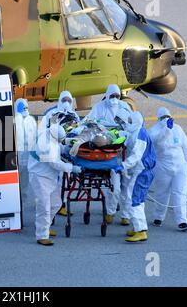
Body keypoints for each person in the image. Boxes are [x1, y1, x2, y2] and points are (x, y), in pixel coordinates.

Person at [86, 84, 132, 226]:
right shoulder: (99, 108)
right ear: (106, 95)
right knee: (115, 186)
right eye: (111, 96)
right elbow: (88, 121)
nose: (114, 99)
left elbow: (131, 124)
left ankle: (126, 215)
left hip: (123, 151)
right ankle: (110, 212)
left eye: (117, 96)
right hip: (107, 152)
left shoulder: (125, 107)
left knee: (127, 187)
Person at [29, 123, 81, 246]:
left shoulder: (48, 134)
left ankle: (45, 226)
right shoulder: (45, 145)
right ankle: (42, 236)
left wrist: (68, 143)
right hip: (40, 176)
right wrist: (72, 168)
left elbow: (58, 145)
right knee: (44, 206)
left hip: (49, 176)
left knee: (56, 203)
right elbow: (55, 163)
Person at [149, 107, 187, 231]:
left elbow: (186, 147)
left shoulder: (178, 129)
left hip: (180, 166)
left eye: (168, 117)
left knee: (180, 193)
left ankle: (182, 221)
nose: (166, 120)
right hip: (163, 166)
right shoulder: (154, 130)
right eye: (163, 118)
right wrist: (166, 130)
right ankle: (158, 217)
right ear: (158, 119)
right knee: (161, 193)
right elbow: (156, 142)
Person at [115, 110, 156, 242]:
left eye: (130, 121)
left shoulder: (140, 134)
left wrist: (123, 166)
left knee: (134, 199)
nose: (128, 123)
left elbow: (136, 156)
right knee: (139, 199)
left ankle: (141, 231)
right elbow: (126, 139)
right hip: (142, 170)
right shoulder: (136, 132)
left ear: (136, 121)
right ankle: (137, 226)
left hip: (142, 171)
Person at [40, 90, 80, 216]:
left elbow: (77, 131)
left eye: (69, 100)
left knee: (65, 180)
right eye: (64, 100)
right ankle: (49, 205)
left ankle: (61, 204)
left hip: (66, 150)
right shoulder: (51, 114)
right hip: (52, 150)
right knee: (53, 180)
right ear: (59, 100)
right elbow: (44, 131)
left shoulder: (74, 115)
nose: (66, 103)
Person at [15, 98, 37, 206]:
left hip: (29, 157)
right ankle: (14, 204)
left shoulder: (31, 120)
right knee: (14, 183)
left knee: (26, 183)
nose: (25, 109)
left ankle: (22, 205)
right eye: (22, 107)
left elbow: (35, 137)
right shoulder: (13, 120)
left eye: (26, 106)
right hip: (17, 157)